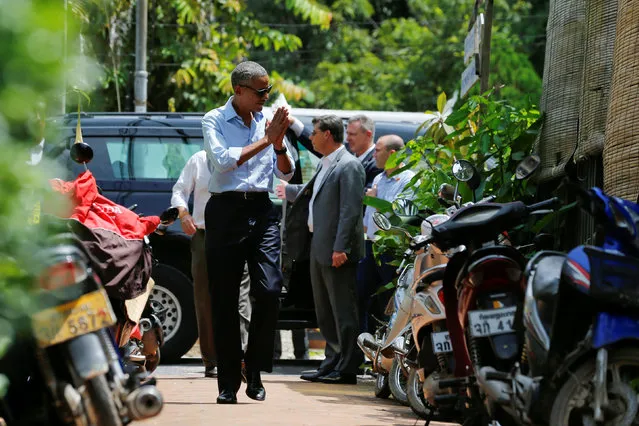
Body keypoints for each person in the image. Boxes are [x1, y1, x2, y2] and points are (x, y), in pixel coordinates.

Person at [202, 61, 294, 404]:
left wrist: (279, 144)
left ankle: (253, 369)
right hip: (225, 211)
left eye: (268, 90)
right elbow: (224, 161)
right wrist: (266, 141)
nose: (266, 96)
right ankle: (228, 382)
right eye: (260, 91)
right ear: (239, 90)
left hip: (261, 209)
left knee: (270, 290)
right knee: (224, 299)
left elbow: (286, 174)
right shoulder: (214, 119)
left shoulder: (268, 121)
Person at [277, 115, 365, 385]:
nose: (311, 138)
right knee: (325, 312)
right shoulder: (327, 163)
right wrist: (289, 191)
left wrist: (341, 247)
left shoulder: (348, 165)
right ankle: (331, 363)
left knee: (342, 310)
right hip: (319, 246)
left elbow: (350, 212)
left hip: (336, 250)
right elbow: (313, 194)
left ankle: (347, 366)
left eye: (314, 133)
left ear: (327, 134)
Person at [170, 150, 252, 379]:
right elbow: (179, 190)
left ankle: (240, 356)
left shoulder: (243, 156)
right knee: (205, 298)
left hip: (237, 235)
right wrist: (183, 214)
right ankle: (212, 360)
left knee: (240, 297)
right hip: (204, 235)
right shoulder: (198, 159)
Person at [358, 135, 416, 334]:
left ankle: (391, 353)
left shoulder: (408, 179)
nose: (373, 154)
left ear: (392, 153)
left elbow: (399, 216)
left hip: (393, 249)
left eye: (377, 150)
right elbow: (369, 218)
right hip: (372, 245)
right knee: (359, 295)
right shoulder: (378, 178)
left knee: (389, 301)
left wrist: (373, 200)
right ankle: (361, 350)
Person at [345, 115, 382, 189]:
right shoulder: (346, 157)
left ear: (368, 135)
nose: (347, 138)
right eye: (347, 133)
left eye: (352, 134)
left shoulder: (377, 163)